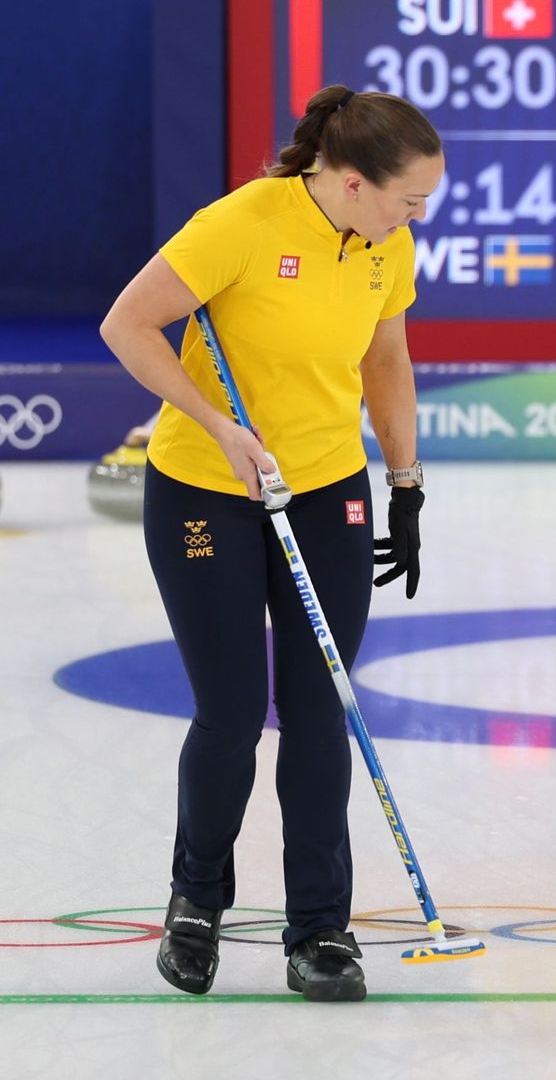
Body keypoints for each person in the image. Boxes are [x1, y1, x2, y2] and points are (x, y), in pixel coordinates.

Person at [99, 84, 443, 1001]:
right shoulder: (243, 223)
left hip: (326, 486)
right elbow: (127, 324)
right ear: (353, 181)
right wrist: (217, 425)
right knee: (233, 710)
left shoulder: (386, 244)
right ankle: (195, 903)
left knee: (321, 707)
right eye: (410, 198)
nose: (418, 216)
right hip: (208, 488)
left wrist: (405, 484)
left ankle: (320, 929)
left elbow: (385, 361)